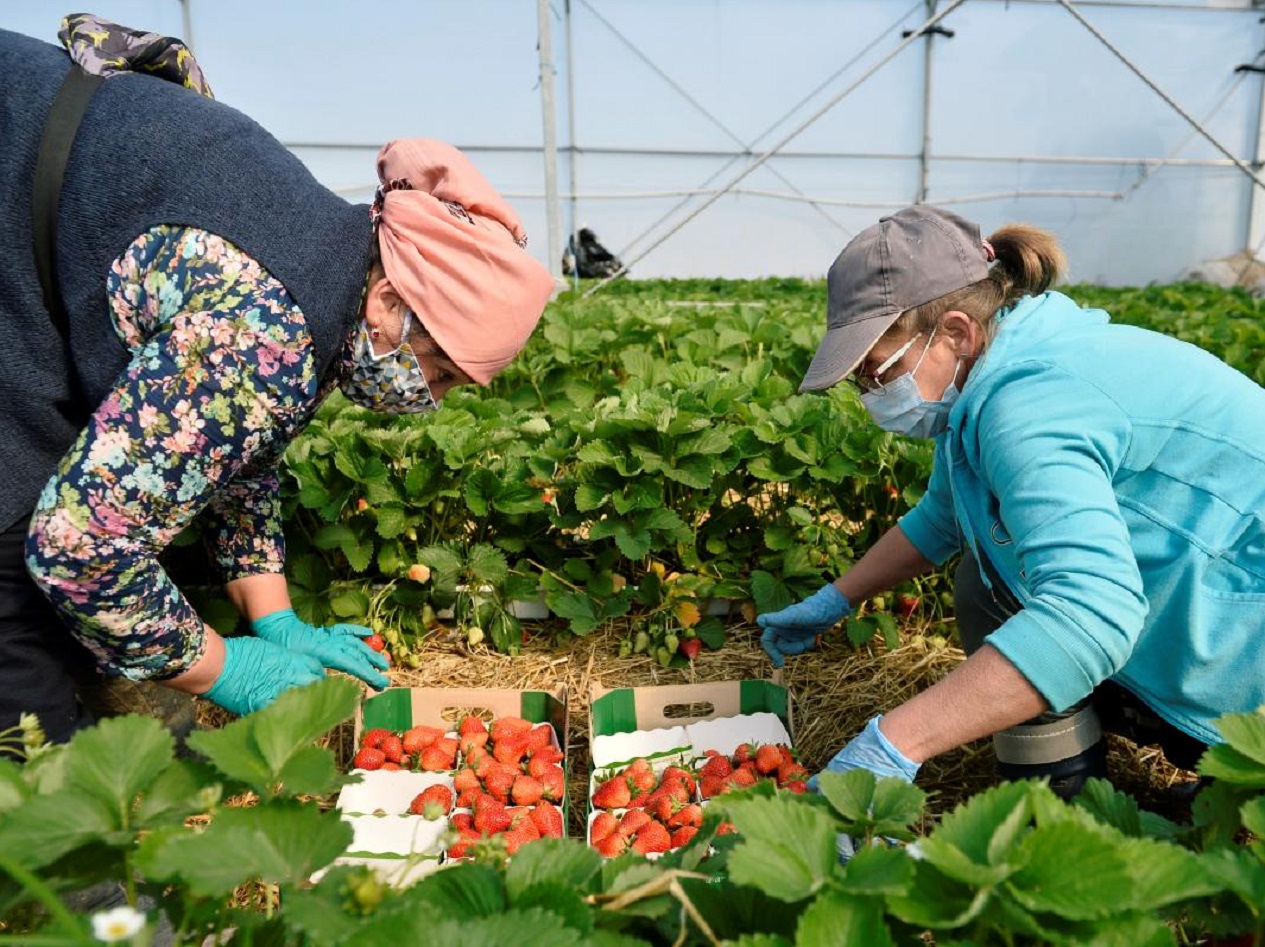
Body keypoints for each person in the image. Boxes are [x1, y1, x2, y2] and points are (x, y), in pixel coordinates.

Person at [0, 26, 555, 750]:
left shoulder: (325, 263)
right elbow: (77, 548)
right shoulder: (266, 328)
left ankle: (109, 723)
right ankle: (52, 823)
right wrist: (223, 666)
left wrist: (274, 616)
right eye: (440, 367)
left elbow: (238, 446)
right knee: (15, 557)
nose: (435, 394)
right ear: (390, 300)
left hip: (32, 206)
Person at [757, 205, 1265, 798]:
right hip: (1206, 594)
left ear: (954, 332)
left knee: (1018, 594)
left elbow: (1091, 617)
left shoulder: (1030, 406)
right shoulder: (992, 371)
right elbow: (944, 518)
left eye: (876, 369)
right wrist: (834, 601)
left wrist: (895, 744)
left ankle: (1228, 762)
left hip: (1244, 626)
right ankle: (1063, 790)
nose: (871, 392)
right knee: (988, 576)